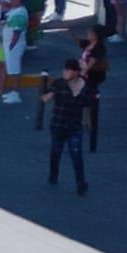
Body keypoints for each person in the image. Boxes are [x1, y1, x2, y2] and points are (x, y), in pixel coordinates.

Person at [43, 58, 92, 195]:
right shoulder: (59, 83)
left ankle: (81, 183)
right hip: (58, 124)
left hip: (74, 126)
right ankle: (53, 175)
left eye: (69, 69)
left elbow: (88, 104)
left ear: (76, 72)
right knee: (56, 151)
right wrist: (49, 95)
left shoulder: (84, 86)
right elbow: (46, 95)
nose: (65, 72)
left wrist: (88, 122)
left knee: (76, 154)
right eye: (65, 69)